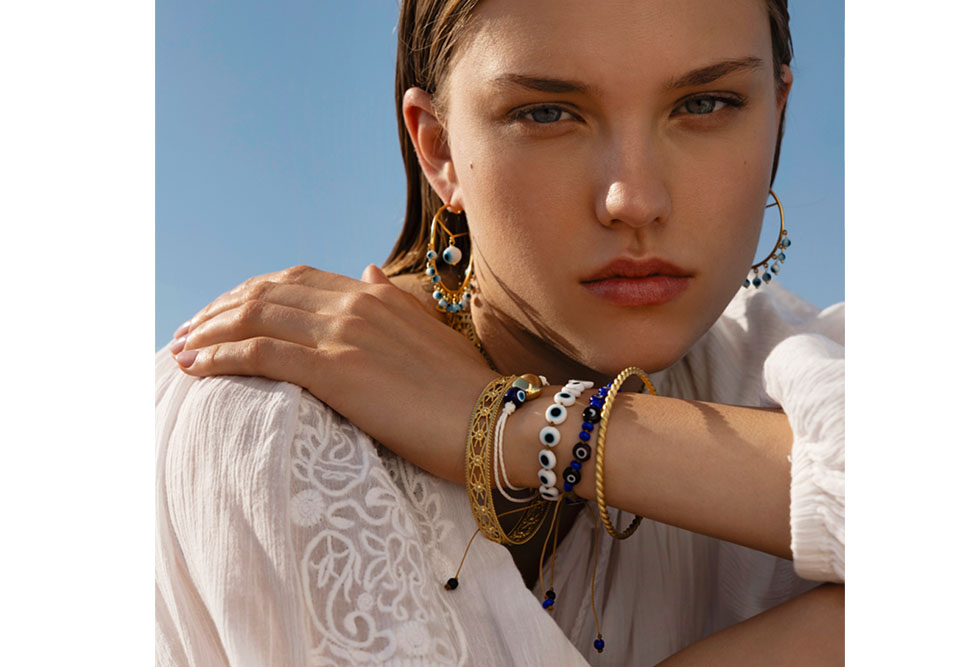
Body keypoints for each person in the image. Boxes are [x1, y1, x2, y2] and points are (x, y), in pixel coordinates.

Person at [156, 0, 844, 664]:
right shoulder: (277, 432)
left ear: (776, 116)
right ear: (438, 148)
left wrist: (514, 426)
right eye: (547, 113)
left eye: (706, 103)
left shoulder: (770, 366)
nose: (634, 200)